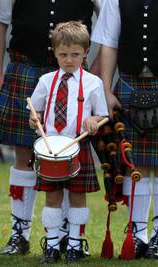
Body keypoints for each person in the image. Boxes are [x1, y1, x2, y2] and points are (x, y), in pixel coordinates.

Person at [0, 0, 103, 256]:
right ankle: (20, 233)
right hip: (24, 68)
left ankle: (65, 236)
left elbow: (109, 23)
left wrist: (92, 75)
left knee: (69, 154)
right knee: (23, 155)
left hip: (73, 71)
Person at [92, 0, 158, 260]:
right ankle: (137, 236)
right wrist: (105, 90)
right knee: (133, 163)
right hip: (130, 82)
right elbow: (109, 43)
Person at [29, 21, 108, 263]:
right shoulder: (45, 81)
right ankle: (52, 245)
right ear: (54, 53)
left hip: (77, 145)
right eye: (63, 55)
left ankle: (75, 243)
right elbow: (35, 112)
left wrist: (94, 121)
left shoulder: (93, 83)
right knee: (52, 198)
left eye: (75, 54)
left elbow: (103, 114)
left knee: (77, 197)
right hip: (50, 147)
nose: (69, 60)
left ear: (85, 53)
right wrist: (35, 119)